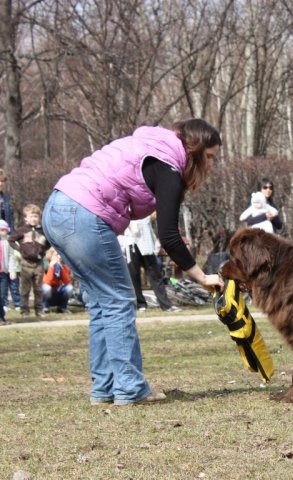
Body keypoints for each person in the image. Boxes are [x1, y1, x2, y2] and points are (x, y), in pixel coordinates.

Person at [42, 118, 224, 406]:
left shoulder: (149, 146)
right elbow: (169, 235)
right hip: (85, 213)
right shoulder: (168, 166)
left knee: (103, 304)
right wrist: (202, 277)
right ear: (195, 150)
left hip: (57, 208)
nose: (212, 165)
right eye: (210, 157)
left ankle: (105, 388)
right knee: (119, 300)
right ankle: (130, 388)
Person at [120, 216, 180, 312]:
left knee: (155, 276)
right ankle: (140, 304)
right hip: (131, 245)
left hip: (147, 245)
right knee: (134, 276)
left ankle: (166, 305)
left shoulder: (145, 210)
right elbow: (133, 230)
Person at [9, 204, 50, 317]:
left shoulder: (42, 231)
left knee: (38, 289)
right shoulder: (21, 230)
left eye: (36, 216)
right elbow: (11, 240)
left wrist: (43, 250)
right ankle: (25, 311)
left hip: (38, 263)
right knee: (25, 289)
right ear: (26, 218)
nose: (33, 219)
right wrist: (20, 249)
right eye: (31, 216)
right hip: (26, 263)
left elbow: (49, 242)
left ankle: (39, 310)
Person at [0, 169, 19, 312]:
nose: (1, 184)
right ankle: (3, 302)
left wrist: (13, 233)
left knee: (9, 269)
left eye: (2, 182)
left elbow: (10, 218)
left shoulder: (5, 197)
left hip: (6, 235)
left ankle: (12, 302)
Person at [42, 248, 74, 314]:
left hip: (57, 291)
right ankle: (45, 307)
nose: (59, 257)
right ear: (51, 256)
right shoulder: (45, 265)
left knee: (69, 288)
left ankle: (62, 307)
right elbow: (47, 282)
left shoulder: (63, 266)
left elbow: (67, 282)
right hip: (47, 292)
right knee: (46, 288)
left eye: (60, 255)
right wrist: (51, 267)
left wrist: (61, 268)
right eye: (56, 255)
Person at [0, 219, 16, 325]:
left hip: (3, 273)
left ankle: (1, 318)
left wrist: (12, 270)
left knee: (2, 295)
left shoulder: (7, 243)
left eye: (4, 230)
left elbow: (11, 257)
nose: (2, 232)